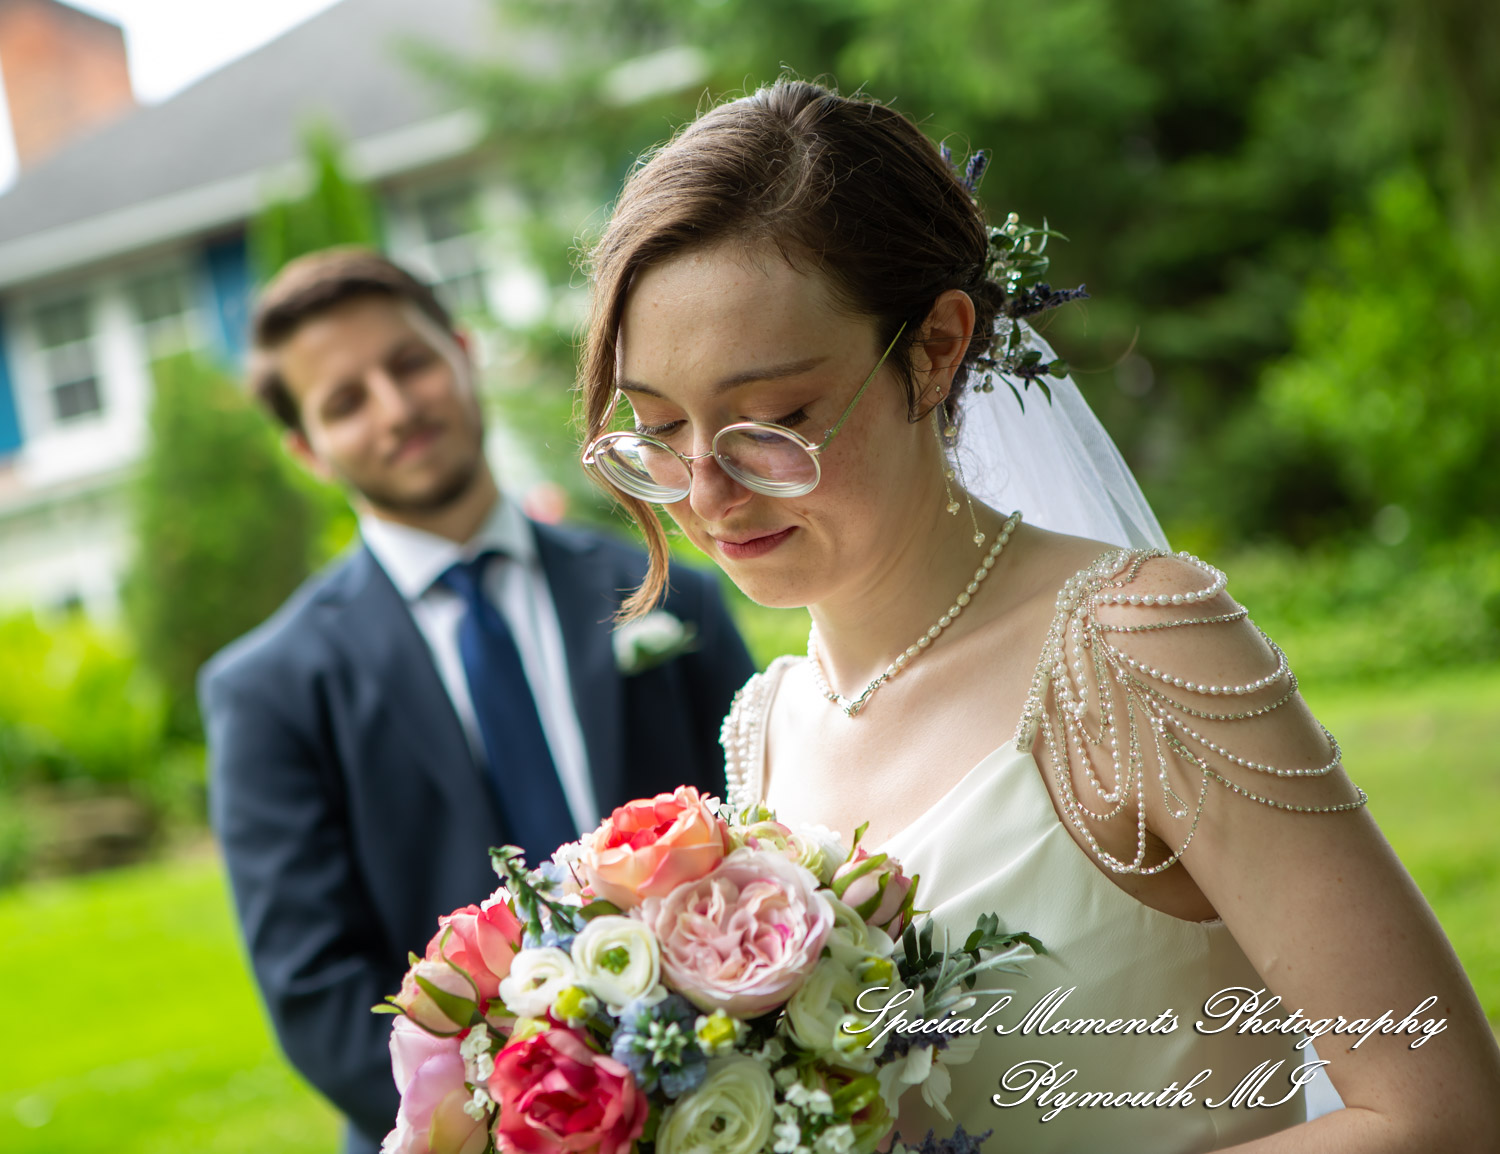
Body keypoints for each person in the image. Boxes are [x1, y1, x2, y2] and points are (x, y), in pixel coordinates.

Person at [576, 81, 1500, 1151]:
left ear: (936, 346)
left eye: (775, 419)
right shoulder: (764, 723)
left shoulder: (1135, 648)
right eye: (656, 429)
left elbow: (1444, 1109)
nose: (706, 493)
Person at [200, 249, 754, 1154]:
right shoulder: (268, 690)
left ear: (461, 351)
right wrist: (512, 1124)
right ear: (306, 449)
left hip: (721, 1099)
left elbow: (759, 826)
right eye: (345, 401)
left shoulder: (665, 595)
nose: (395, 406)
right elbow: (316, 993)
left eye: (409, 363)